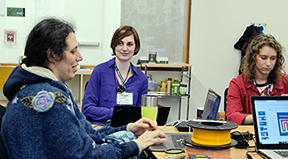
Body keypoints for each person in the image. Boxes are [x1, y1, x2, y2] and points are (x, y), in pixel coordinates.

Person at [1, 18, 167, 159]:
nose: (80, 57)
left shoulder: (46, 89)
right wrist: (135, 146)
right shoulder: (49, 101)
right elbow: (87, 155)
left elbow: (87, 134)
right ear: (52, 55)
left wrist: (128, 128)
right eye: (74, 51)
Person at [82, 25, 148, 126]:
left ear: (136, 47)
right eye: (120, 43)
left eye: (129, 44)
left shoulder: (141, 79)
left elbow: (140, 114)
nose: (124, 48)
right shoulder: (99, 71)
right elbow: (87, 109)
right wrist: (115, 114)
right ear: (114, 45)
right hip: (100, 127)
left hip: (128, 129)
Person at [226, 34, 288, 125]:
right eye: (263, 58)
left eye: (273, 58)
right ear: (253, 57)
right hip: (250, 135)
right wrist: (264, 115)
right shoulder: (237, 83)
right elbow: (232, 116)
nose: (268, 63)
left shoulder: (285, 81)